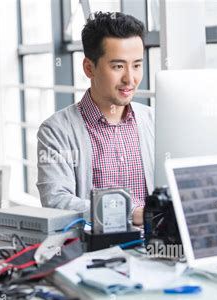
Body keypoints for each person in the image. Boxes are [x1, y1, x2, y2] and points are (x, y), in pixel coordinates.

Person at [37, 11, 154, 226]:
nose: (130, 79)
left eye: (137, 65)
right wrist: (133, 214)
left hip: (157, 245)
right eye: (118, 66)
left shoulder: (153, 120)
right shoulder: (56, 130)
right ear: (89, 68)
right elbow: (56, 202)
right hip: (95, 252)